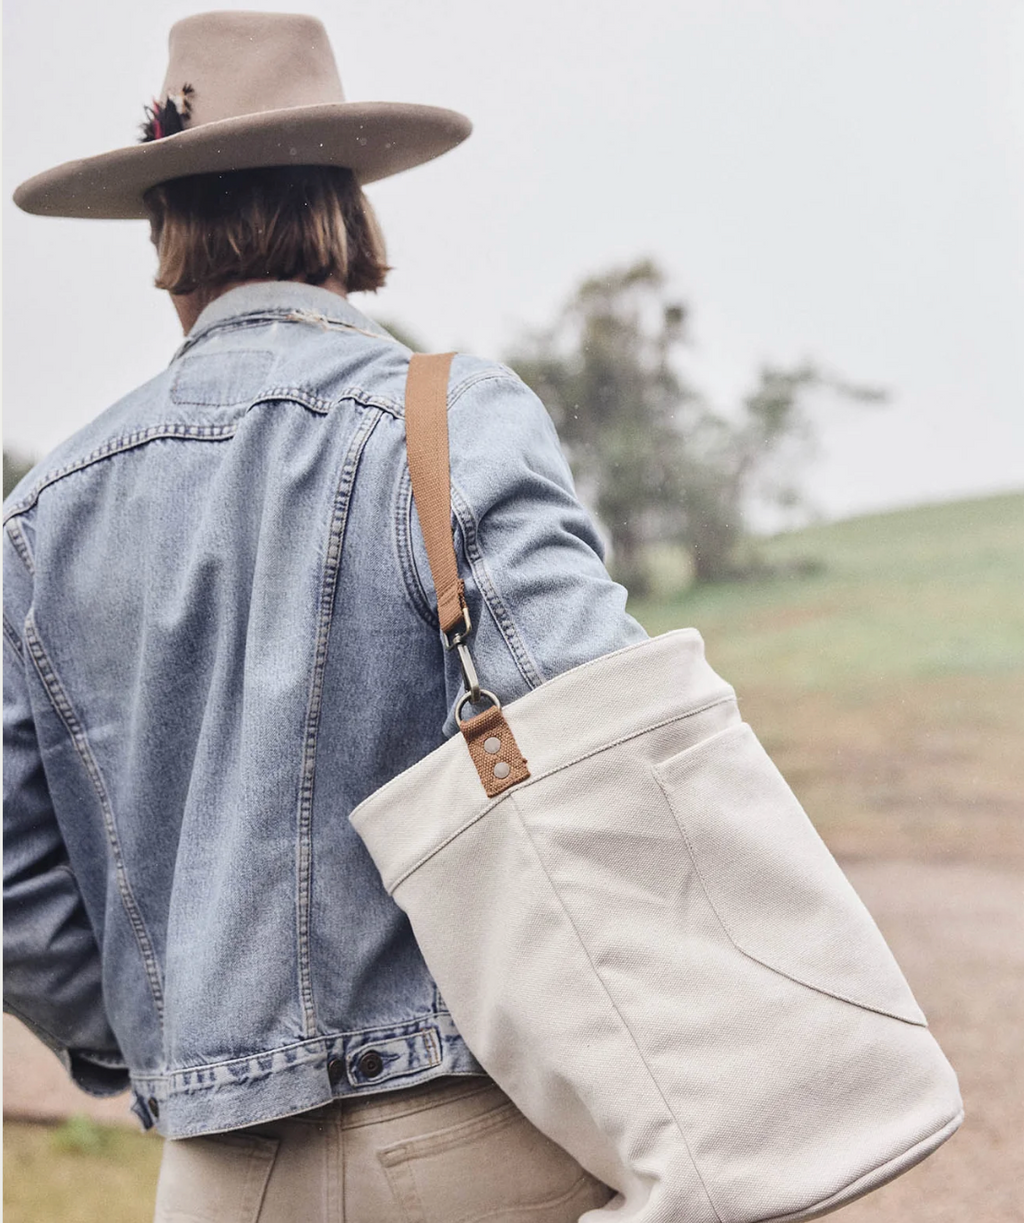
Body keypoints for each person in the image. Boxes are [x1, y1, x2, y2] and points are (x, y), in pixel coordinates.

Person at [3, 11, 645, 1221]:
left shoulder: (39, 514)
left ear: (164, 231)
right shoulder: (450, 418)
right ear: (347, 208)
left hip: (210, 1174)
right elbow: (605, 744)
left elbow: (13, 888)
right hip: (478, 1122)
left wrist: (186, 1026)